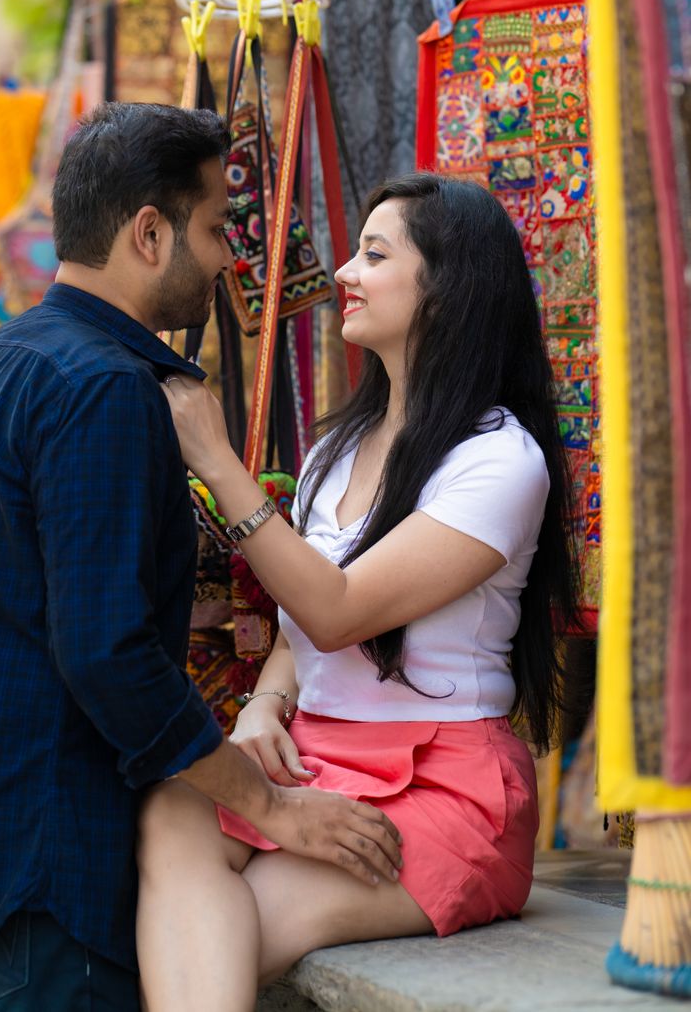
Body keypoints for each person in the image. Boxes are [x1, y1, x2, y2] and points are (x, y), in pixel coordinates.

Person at [0, 103, 402, 1012]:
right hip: (45, 879)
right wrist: (268, 807)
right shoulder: (106, 389)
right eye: (214, 228)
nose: (231, 256)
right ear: (150, 235)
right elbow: (109, 656)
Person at [140, 172, 581, 1012]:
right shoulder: (336, 449)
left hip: (444, 787)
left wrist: (217, 461)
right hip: (313, 761)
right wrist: (266, 707)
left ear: (448, 292)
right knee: (171, 815)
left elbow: (336, 611)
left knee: (213, 933)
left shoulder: (499, 459)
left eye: (373, 255)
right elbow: (299, 640)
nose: (343, 271)